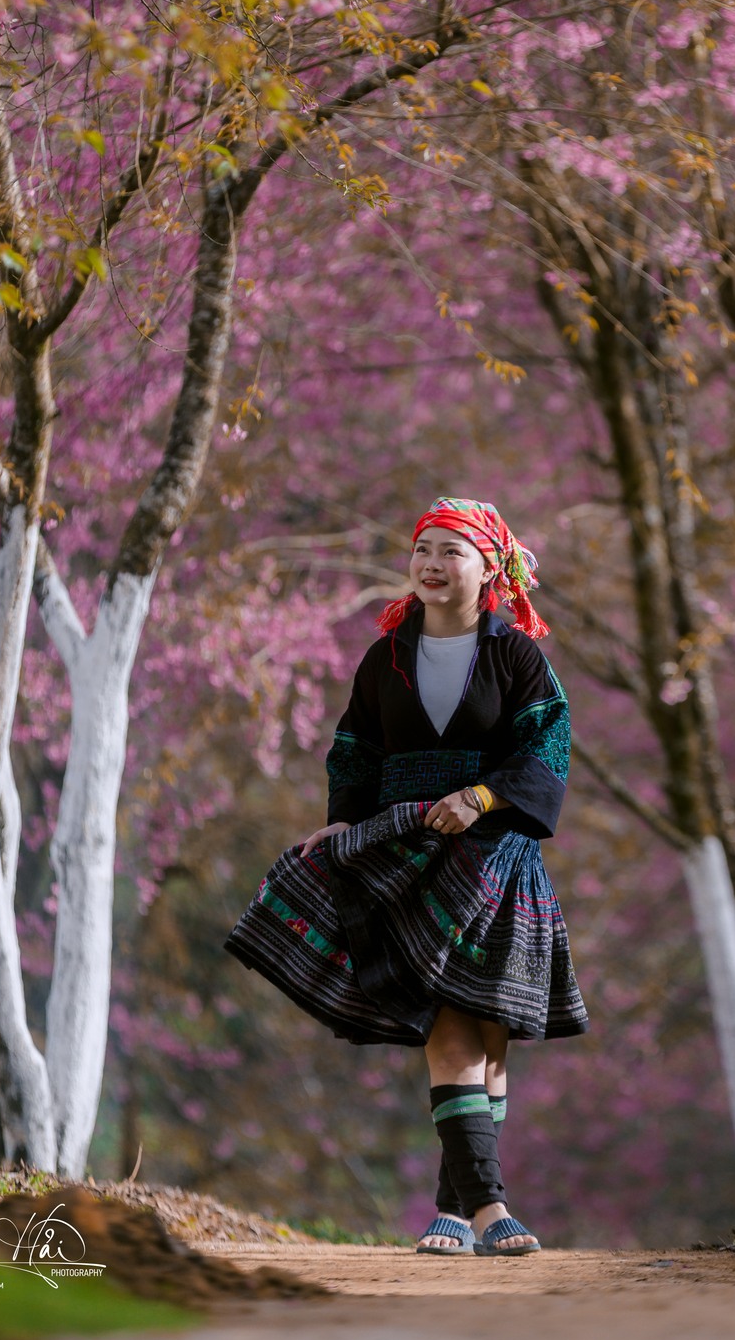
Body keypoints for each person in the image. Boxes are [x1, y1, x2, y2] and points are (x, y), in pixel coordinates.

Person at [225, 496, 587, 1257]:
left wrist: (481, 797)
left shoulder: (517, 656)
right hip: (404, 857)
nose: (430, 563)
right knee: (450, 1021)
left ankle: (451, 1212)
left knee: (487, 1038)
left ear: (490, 567)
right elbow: (354, 747)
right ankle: (490, 1210)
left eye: (450, 551)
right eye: (422, 549)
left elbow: (547, 753)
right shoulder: (383, 654)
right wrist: (343, 816)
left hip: (494, 856)